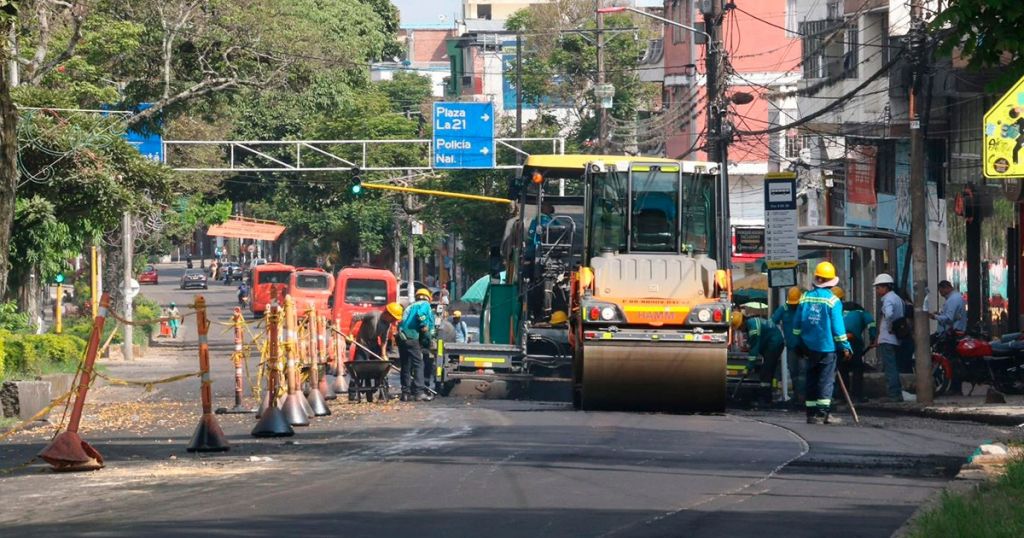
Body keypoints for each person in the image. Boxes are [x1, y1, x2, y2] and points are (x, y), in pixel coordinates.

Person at [792, 261, 852, 425]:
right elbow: (838, 329)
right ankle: (822, 414)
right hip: (827, 348)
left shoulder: (805, 298)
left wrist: (797, 342)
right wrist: (845, 347)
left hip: (808, 347)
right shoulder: (833, 301)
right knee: (825, 381)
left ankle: (811, 414)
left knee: (811, 378)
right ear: (831, 282)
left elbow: (796, 324)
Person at [833, 286, 876, 403]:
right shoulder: (860, 311)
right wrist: (873, 338)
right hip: (853, 341)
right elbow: (871, 323)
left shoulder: (834, 311)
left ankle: (842, 396)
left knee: (842, 369)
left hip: (839, 341)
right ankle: (857, 396)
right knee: (857, 368)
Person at [734, 309, 785, 408]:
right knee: (766, 372)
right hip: (771, 344)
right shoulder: (751, 323)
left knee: (765, 373)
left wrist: (748, 367)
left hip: (774, 345)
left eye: (740, 327)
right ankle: (766, 399)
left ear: (743, 322)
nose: (740, 330)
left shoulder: (753, 329)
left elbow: (754, 350)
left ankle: (766, 400)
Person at [397, 288, 435, 401]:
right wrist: (424, 326)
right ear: (428, 298)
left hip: (401, 337)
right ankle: (419, 392)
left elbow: (401, 321)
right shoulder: (424, 304)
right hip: (412, 337)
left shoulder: (409, 307)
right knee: (418, 364)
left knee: (406, 365)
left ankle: (405, 393)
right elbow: (421, 314)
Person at [873, 273, 905, 402]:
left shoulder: (888, 300)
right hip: (895, 339)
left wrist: (890, 324)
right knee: (893, 366)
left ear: (886, 287)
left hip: (888, 339)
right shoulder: (897, 298)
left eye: (878, 287)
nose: (877, 290)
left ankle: (893, 394)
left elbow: (889, 314)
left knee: (890, 367)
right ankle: (896, 393)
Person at [771, 286, 805, 403]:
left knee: (803, 371)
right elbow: (772, 322)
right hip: (791, 347)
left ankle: (803, 395)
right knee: (794, 371)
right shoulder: (784, 309)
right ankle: (797, 395)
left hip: (804, 346)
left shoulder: (803, 308)